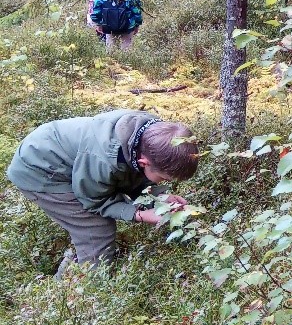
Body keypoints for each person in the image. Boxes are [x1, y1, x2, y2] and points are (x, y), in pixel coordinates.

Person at [6, 110, 199, 275]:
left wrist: (161, 198)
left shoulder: (152, 135)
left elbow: (132, 174)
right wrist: (139, 215)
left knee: (93, 229)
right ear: (144, 162)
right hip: (39, 170)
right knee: (96, 230)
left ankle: (73, 263)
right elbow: (96, 202)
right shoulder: (103, 160)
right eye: (165, 179)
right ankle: (82, 294)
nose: (166, 183)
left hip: (69, 157)